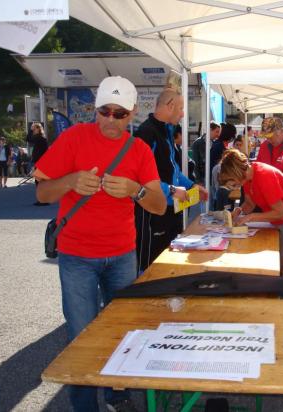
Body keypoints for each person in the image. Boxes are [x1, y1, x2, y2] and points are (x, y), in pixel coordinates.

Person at [33, 76, 167, 412]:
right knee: (81, 336)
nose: (110, 119)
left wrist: (135, 190)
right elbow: (42, 192)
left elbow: (159, 205)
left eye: (119, 113)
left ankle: (117, 395)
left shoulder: (137, 150)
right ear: (95, 110)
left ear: (132, 113)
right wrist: (71, 181)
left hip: (122, 254)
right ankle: (84, 405)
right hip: (77, 255)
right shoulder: (74, 138)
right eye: (104, 111)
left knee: (122, 332)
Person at [134, 88, 207, 273]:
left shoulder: (167, 130)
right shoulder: (146, 132)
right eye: (181, 108)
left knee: (170, 259)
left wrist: (193, 186)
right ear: (170, 106)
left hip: (171, 209)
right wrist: (172, 190)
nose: (183, 114)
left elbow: (173, 169)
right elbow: (138, 178)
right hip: (152, 212)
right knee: (151, 266)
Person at [219, 149, 283, 276]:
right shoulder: (247, 179)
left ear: (236, 172)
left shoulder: (264, 176)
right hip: (281, 222)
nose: (235, 186)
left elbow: (280, 213)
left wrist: (251, 217)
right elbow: (250, 204)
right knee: (280, 264)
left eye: (233, 183)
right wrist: (238, 211)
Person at [28, 123, 50, 205]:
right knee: (38, 181)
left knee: (41, 182)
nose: (33, 130)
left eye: (34, 129)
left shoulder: (41, 138)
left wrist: (31, 130)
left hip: (41, 162)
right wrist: (31, 130)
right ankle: (41, 199)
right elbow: (28, 139)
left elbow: (29, 139)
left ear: (38, 129)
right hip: (38, 162)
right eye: (33, 129)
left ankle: (44, 200)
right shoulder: (39, 138)